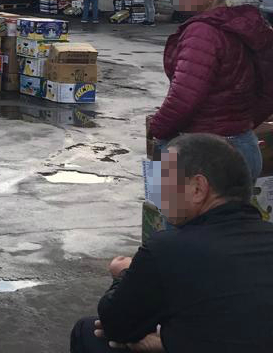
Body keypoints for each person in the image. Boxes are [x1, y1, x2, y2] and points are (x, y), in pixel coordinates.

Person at [69, 133, 273, 353]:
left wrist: (123, 275)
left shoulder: (167, 249)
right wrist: (167, 342)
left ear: (197, 189)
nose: (158, 193)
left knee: (88, 331)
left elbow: (115, 324)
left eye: (165, 181)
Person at [147, 0, 273, 182]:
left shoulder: (202, 32)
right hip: (244, 147)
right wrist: (241, 124)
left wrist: (156, 128)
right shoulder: (245, 26)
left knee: (171, 205)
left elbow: (184, 98)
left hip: (205, 155)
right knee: (236, 208)